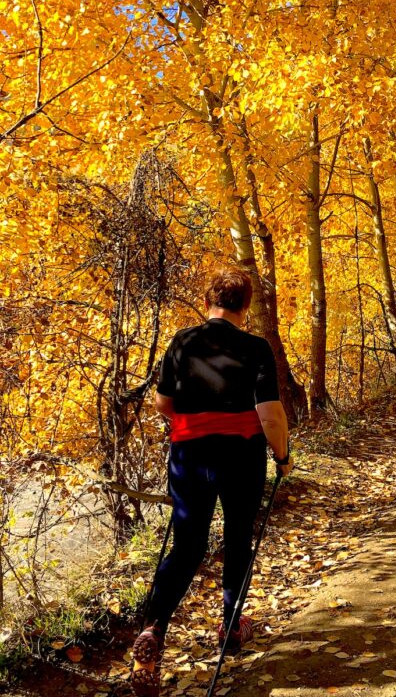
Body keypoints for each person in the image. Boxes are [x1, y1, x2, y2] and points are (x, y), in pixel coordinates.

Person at [130, 266, 294, 697]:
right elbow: (271, 415)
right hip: (241, 456)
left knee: (187, 545)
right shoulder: (255, 348)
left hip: (190, 455)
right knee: (239, 538)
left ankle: (154, 627)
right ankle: (231, 623)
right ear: (246, 305)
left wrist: (193, 422)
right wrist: (282, 456)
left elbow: (164, 402)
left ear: (208, 301)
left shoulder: (182, 342)